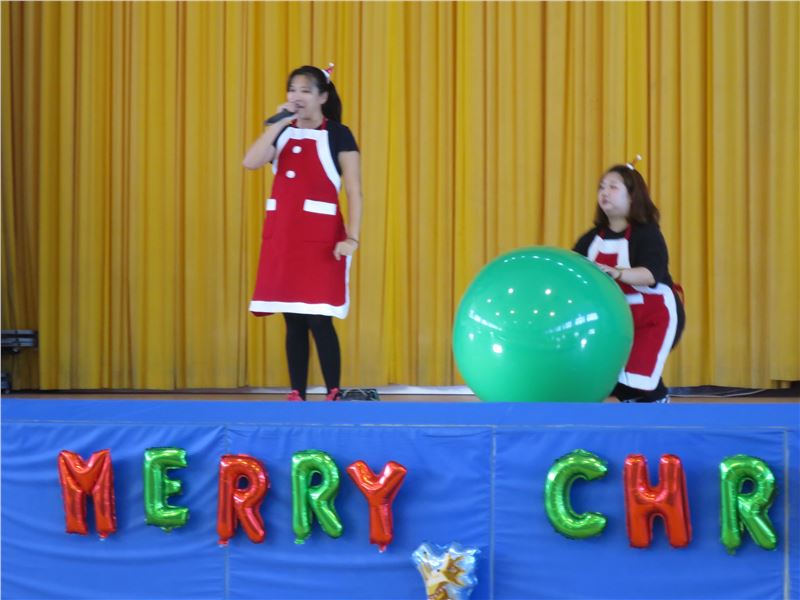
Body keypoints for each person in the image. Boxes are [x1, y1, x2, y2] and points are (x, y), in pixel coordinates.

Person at [242, 64, 362, 402]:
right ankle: (297, 391)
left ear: (322, 97)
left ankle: (333, 390)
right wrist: (278, 123)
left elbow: (354, 190)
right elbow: (251, 162)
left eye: (305, 90)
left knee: (319, 317)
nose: (297, 96)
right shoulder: (281, 132)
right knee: (292, 318)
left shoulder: (339, 134)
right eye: (292, 89)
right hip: (284, 239)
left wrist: (351, 237)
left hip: (323, 241)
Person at [573, 157, 684, 403]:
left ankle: (659, 406)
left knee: (637, 373)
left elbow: (651, 275)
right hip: (615, 321)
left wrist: (618, 273)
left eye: (613, 187)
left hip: (654, 318)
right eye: (601, 187)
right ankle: (636, 413)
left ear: (633, 196)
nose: (605, 192)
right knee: (610, 376)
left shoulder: (647, 234)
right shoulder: (589, 239)